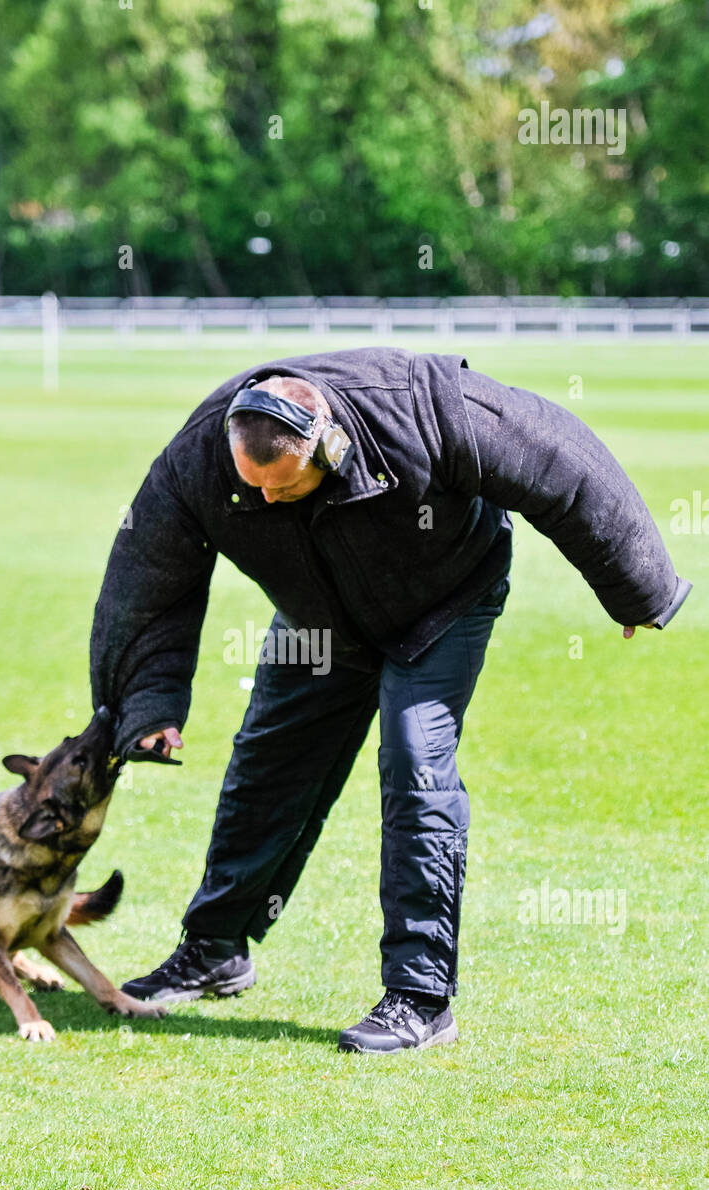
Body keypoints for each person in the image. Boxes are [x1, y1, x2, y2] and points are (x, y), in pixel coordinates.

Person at [89, 348, 690, 1054]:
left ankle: (419, 997)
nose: (267, 502)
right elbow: (149, 578)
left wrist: (635, 587)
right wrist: (147, 706)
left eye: (284, 488)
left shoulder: (420, 403)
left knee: (415, 764)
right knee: (266, 765)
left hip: (442, 606)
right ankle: (214, 948)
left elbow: (558, 463)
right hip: (318, 623)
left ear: (328, 443)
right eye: (256, 492)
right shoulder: (199, 460)